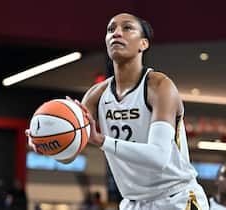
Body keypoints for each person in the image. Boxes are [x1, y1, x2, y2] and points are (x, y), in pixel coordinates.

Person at [27, 12, 209, 210]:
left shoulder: (159, 86)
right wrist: (47, 144)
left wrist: (102, 141)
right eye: (111, 29)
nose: (117, 33)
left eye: (127, 28)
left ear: (143, 44)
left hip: (176, 199)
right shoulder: (96, 95)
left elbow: (159, 157)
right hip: (133, 202)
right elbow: (71, 152)